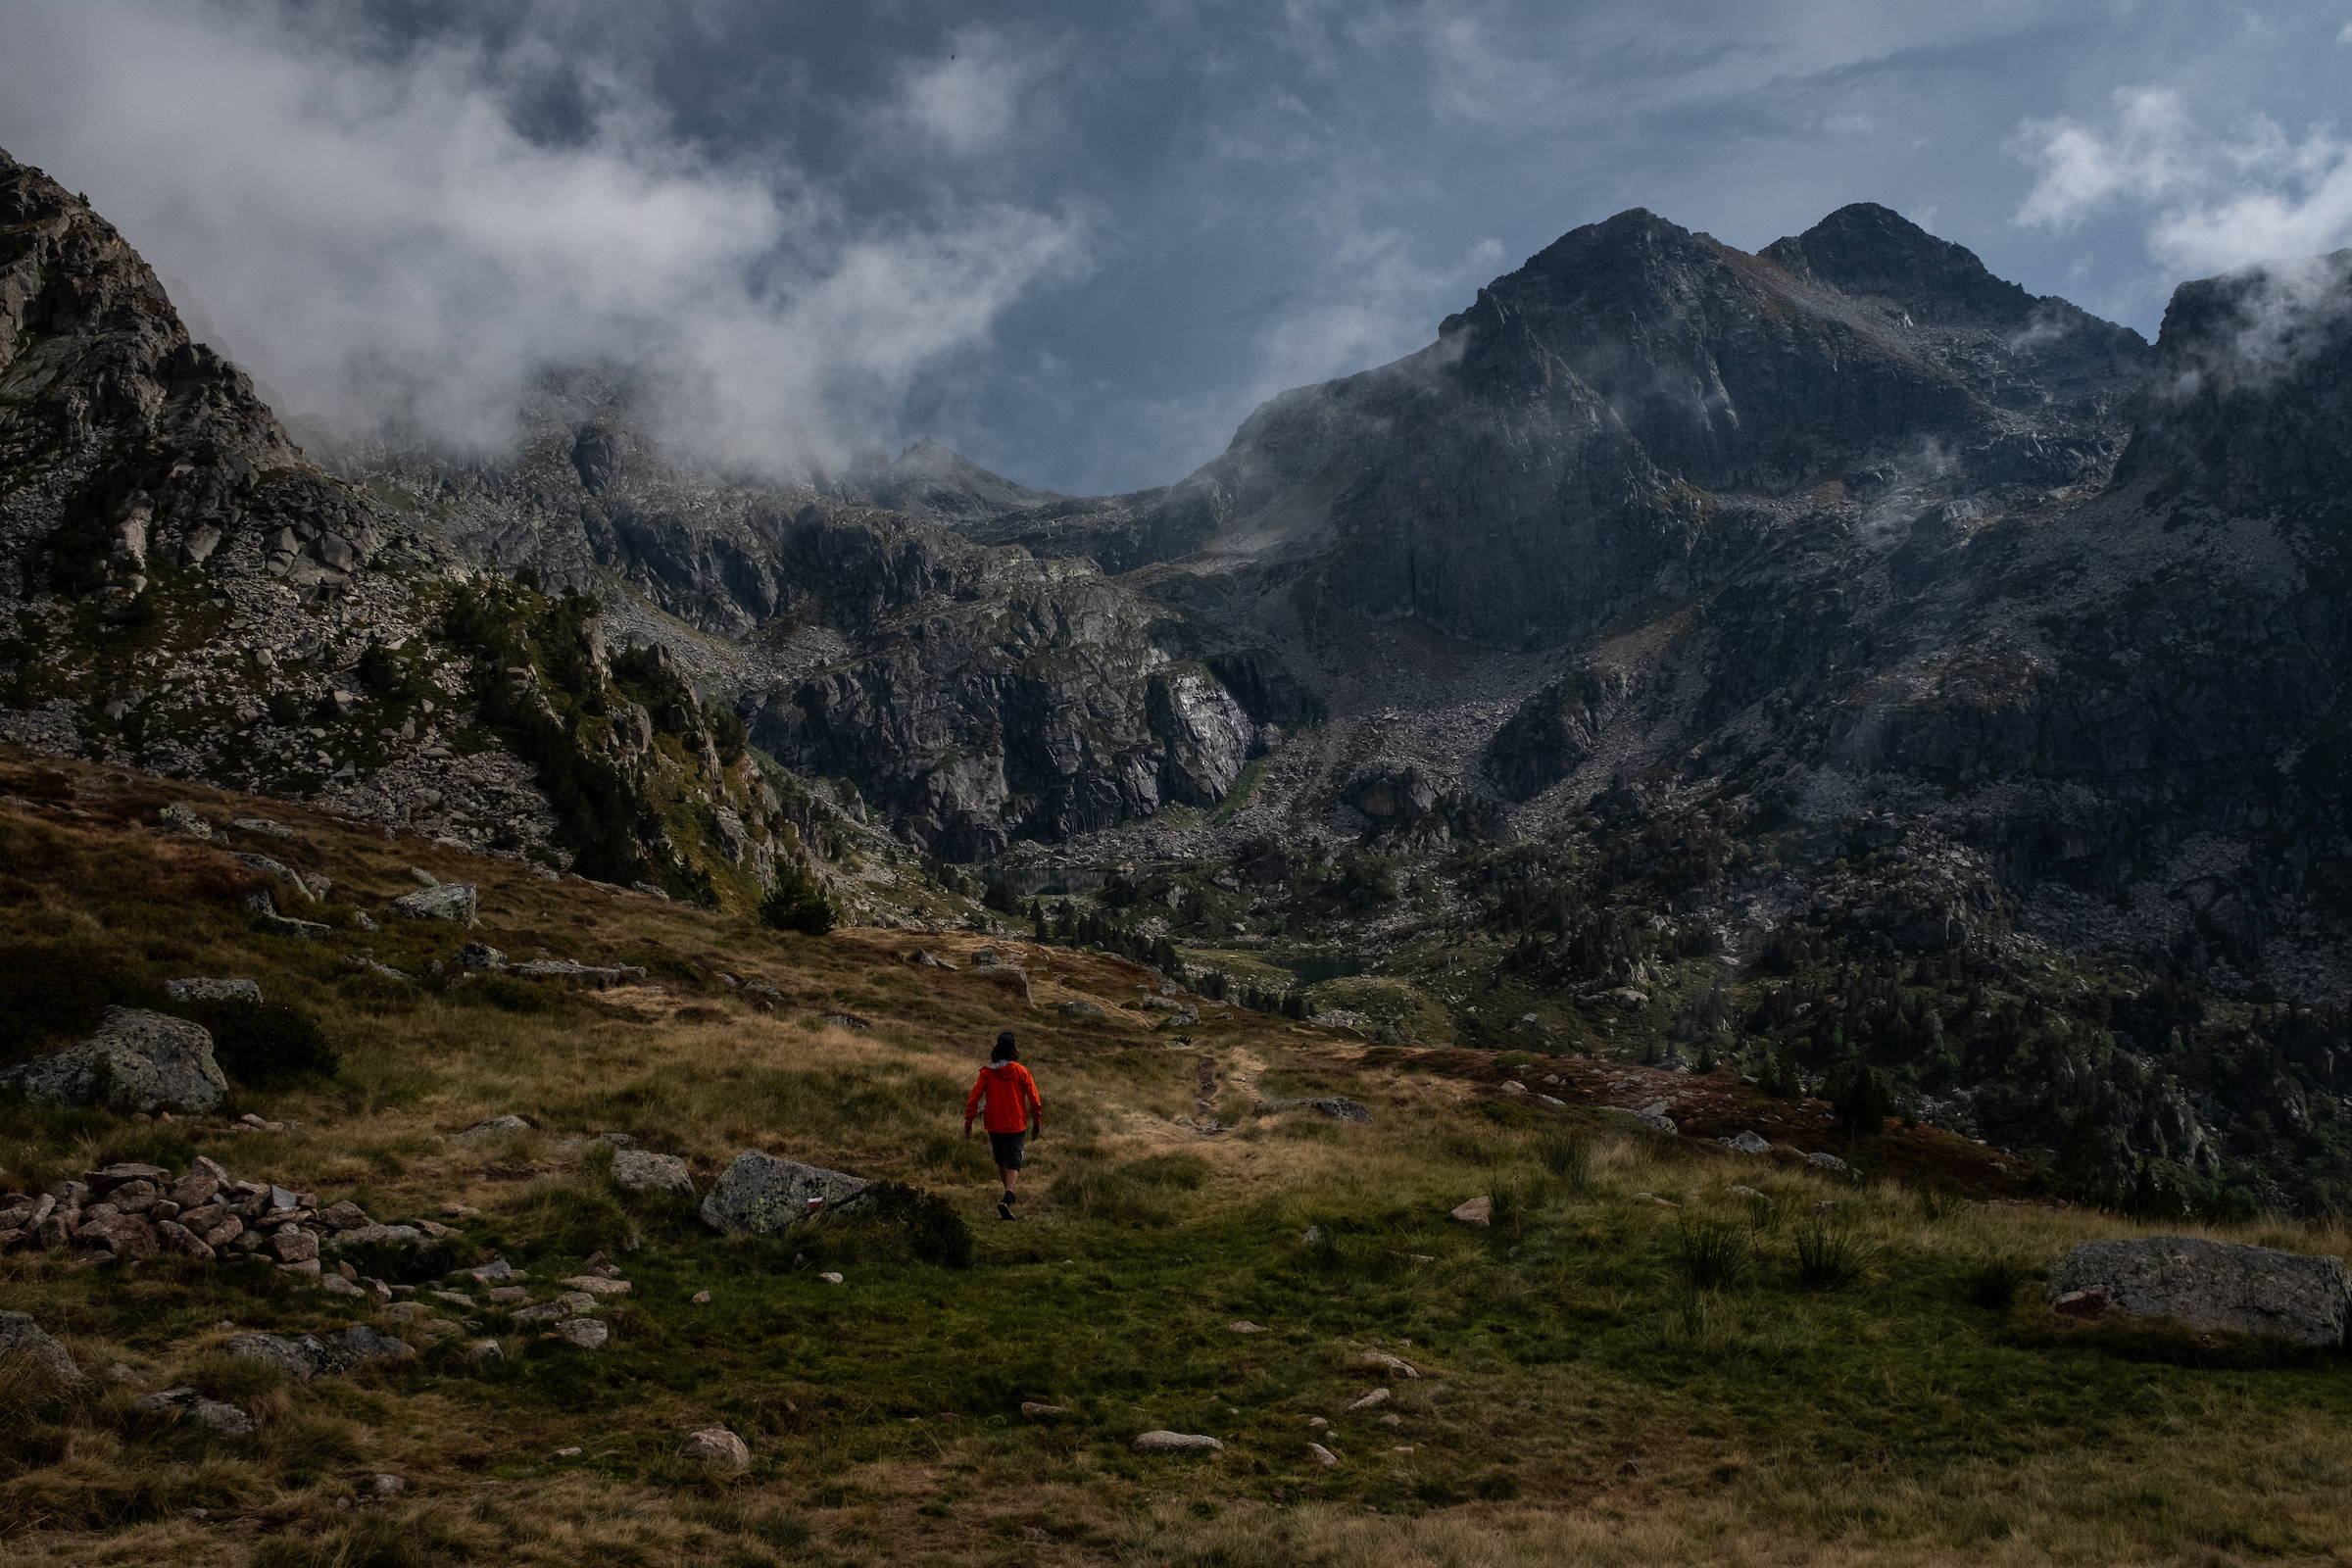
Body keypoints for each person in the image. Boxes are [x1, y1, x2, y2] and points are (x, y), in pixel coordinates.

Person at [964, 1031, 1043, 1220]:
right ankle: (1008, 1195)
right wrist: (1037, 1122)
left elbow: (974, 1098)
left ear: (997, 1048)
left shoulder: (987, 1072)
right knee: (1014, 1162)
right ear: (1013, 1049)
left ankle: (1007, 1194)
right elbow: (1034, 1098)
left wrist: (969, 1122)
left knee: (1000, 1160)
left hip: (994, 1124)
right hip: (1015, 1123)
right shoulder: (1021, 1071)